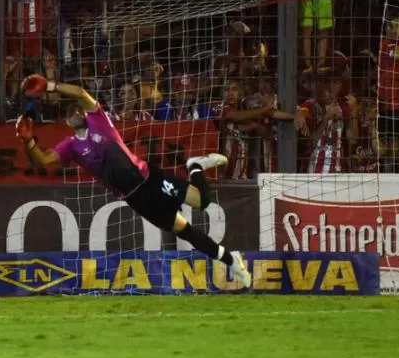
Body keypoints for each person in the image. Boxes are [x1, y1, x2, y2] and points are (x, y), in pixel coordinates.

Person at [15, 73, 252, 289]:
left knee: (202, 202)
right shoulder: (71, 146)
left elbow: (80, 93)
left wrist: (51, 85)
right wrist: (29, 142)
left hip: (149, 179)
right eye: (71, 113)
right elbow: (44, 159)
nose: (77, 112)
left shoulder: (99, 121)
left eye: (78, 110)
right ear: (66, 122)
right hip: (136, 199)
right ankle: (232, 260)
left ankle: (195, 166)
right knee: (185, 231)